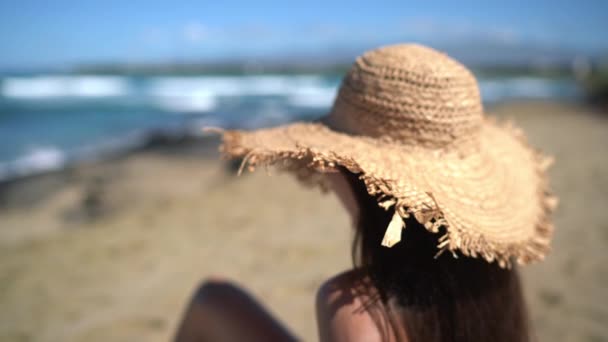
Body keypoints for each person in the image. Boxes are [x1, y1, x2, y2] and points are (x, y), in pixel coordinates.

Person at [174, 44, 557, 342]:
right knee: (216, 299)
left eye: (334, 159)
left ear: (365, 180)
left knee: (211, 302)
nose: (324, 170)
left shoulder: (356, 308)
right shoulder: (493, 274)